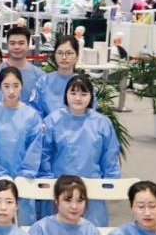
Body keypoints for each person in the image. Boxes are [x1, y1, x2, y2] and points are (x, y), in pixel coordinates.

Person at [41, 75, 120, 226]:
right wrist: (46, 179)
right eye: (73, 93)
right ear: (66, 95)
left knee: (92, 231)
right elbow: (44, 154)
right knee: (57, 230)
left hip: (93, 188)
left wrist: (111, 183)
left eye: (83, 94)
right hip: (60, 187)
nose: (78, 98)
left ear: (91, 97)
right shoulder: (52, 121)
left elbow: (110, 156)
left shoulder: (102, 123)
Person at [0, 67, 44, 226]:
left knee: (24, 227)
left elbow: (35, 150)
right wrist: (0, 174)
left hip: (24, 181)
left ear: (22, 86)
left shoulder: (32, 116)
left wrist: (24, 175)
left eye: (15, 86)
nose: (11, 91)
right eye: (6, 86)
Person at [31, 36, 85, 119]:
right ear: (54, 56)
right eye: (60, 53)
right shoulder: (43, 82)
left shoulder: (84, 84)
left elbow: (90, 115)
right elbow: (35, 113)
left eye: (69, 53)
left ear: (77, 57)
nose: (64, 57)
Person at [3, 28, 43, 103]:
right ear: (7, 45)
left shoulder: (38, 75)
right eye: (12, 43)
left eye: (21, 43)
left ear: (28, 45)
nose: (16, 47)